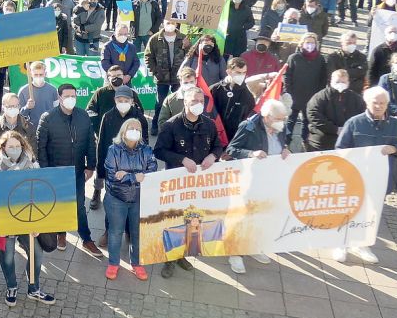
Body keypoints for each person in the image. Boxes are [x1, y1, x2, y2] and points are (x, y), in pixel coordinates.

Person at [0, 131, 56, 306]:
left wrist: (38, 221)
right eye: (10, 146)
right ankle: (11, 286)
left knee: (36, 252)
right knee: (8, 256)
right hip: (4, 220)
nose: (14, 149)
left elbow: (41, 190)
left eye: (17, 146)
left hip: (27, 219)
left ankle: (33, 288)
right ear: (3, 147)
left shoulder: (31, 163)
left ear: (22, 146)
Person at [154, 86, 223, 278]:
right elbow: (159, 150)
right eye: (193, 101)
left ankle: (181, 254)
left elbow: (218, 145)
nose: (198, 105)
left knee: (192, 219)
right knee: (173, 221)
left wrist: (213, 155)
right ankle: (169, 258)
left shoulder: (208, 124)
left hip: (199, 185)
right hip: (177, 183)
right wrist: (181, 160)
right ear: (185, 102)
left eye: (201, 101)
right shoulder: (171, 125)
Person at [335, 87, 397, 259]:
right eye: (374, 102)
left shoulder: (396, 125)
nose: (378, 106)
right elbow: (340, 149)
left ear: (387, 105)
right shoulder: (354, 123)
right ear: (367, 103)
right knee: (348, 211)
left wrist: (394, 148)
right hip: (354, 179)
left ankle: (362, 245)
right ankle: (341, 244)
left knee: (371, 213)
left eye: (382, 103)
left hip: (380, 179)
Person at [224, 98, 292, 272]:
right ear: (267, 117)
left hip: (269, 182)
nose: (282, 122)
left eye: (283, 119)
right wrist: (251, 153)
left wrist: (285, 148)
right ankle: (235, 254)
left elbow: (282, 143)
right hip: (249, 181)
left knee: (260, 216)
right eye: (278, 119)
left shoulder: (280, 128)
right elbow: (232, 150)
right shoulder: (249, 127)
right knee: (242, 217)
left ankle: (252, 247)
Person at [36, 84, 102, 256]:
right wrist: (45, 172)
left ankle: (86, 239)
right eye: (67, 96)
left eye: (73, 95)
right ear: (59, 98)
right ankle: (61, 234)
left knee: (79, 206)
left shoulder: (83, 116)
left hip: (77, 171)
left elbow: (90, 142)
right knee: (59, 204)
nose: (71, 99)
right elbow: (40, 147)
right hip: (55, 172)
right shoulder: (48, 118)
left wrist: (91, 166)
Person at [101, 117, 157, 281]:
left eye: (138, 129)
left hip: (139, 199)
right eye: (131, 128)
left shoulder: (147, 150)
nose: (135, 131)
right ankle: (113, 263)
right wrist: (136, 177)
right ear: (123, 131)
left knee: (136, 233)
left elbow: (152, 172)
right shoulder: (113, 149)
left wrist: (126, 175)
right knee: (115, 232)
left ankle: (136, 263)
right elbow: (112, 175)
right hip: (116, 198)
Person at [92, 85, 149, 210]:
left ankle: (130, 228)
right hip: (113, 168)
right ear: (115, 101)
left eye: (126, 101)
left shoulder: (140, 118)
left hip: (133, 167)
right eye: (120, 100)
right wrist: (101, 170)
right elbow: (101, 144)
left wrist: (144, 169)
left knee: (133, 200)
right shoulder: (107, 117)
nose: (123, 103)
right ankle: (110, 227)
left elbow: (145, 146)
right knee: (112, 199)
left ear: (132, 101)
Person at [306, 69, 366, 151]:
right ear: (331, 82)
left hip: (347, 143)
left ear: (348, 83)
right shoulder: (320, 97)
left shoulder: (356, 99)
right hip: (322, 143)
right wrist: (335, 129)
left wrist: (348, 130)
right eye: (337, 82)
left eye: (343, 82)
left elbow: (362, 116)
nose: (340, 84)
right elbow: (313, 115)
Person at [284, 33, 328, 143]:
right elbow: (287, 75)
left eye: (312, 43)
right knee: (290, 122)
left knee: (307, 123)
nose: (310, 45)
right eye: (307, 42)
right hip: (294, 96)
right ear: (302, 44)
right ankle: (285, 144)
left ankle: (305, 145)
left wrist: (318, 95)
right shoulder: (294, 58)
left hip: (311, 97)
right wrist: (289, 92)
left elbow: (323, 78)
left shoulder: (320, 59)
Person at [144, 22, 188, 131]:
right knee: (160, 103)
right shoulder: (155, 38)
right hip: (161, 78)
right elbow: (148, 57)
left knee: (178, 103)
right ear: (163, 23)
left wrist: (187, 47)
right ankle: (155, 125)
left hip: (178, 78)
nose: (170, 24)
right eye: (168, 22)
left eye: (172, 22)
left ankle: (177, 126)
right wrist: (156, 72)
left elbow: (189, 56)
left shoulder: (183, 38)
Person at [210, 58, 254, 141]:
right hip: (216, 136)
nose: (242, 75)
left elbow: (250, 115)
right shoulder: (215, 89)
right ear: (229, 72)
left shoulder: (248, 92)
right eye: (238, 73)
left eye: (244, 73)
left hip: (236, 137)